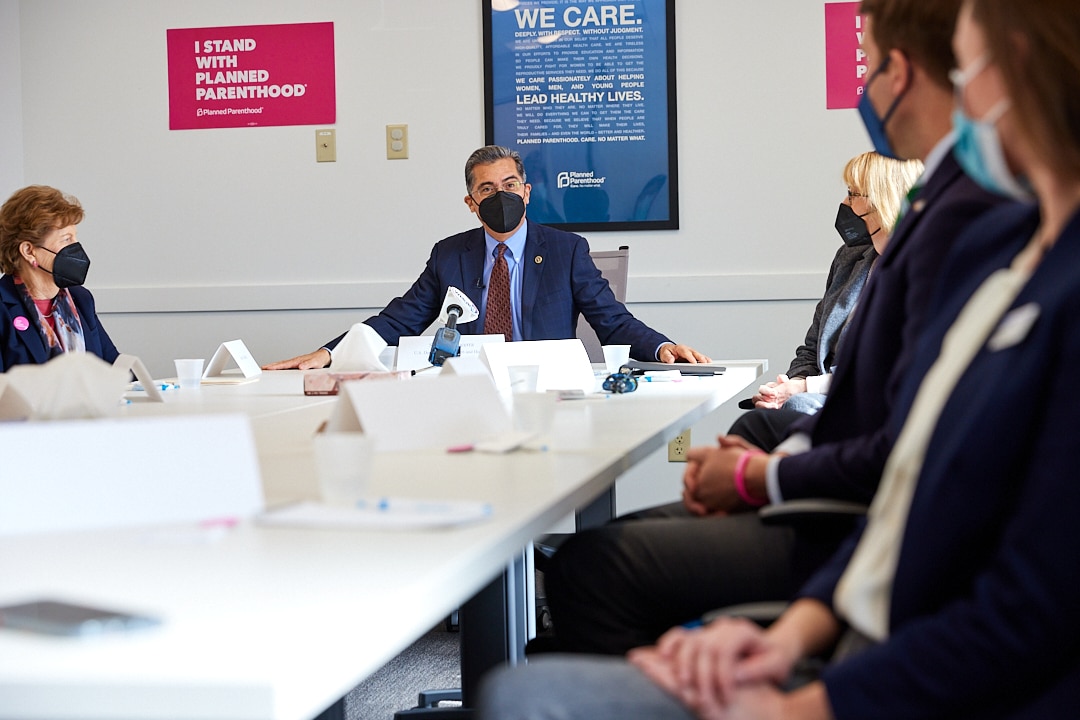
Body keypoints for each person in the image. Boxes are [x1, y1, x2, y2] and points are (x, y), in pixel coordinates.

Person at [480, 0, 1080, 715]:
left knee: (578, 602)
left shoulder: (998, 246)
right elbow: (907, 493)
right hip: (849, 585)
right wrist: (791, 636)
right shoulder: (1002, 255)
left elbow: (1017, 599)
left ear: (1021, 73)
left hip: (872, 620)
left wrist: (763, 483)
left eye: (971, 65)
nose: (963, 94)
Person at [264, 146, 709, 370]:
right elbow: (398, 320)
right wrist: (328, 353)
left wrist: (661, 345)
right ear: (471, 203)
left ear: (527, 192)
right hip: (471, 390)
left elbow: (612, 320)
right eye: (487, 189)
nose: (501, 196)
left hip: (543, 388)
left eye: (510, 184)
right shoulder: (449, 254)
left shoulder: (565, 249)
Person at [750, 152, 923, 417]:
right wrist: (785, 389)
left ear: (884, 199)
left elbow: (888, 367)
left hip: (876, 407)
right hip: (819, 403)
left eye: (854, 194)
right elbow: (811, 349)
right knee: (766, 416)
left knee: (786, 414)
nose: (845, 202)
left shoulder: (920, 269)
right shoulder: (848, 258)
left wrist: (802, 388)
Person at [0, 185, 118, 371]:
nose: (77, 247)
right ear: (29, 251)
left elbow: (116, 368)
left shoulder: (81, 299)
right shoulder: (3, 308)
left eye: (75, 237)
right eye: (66, 239)